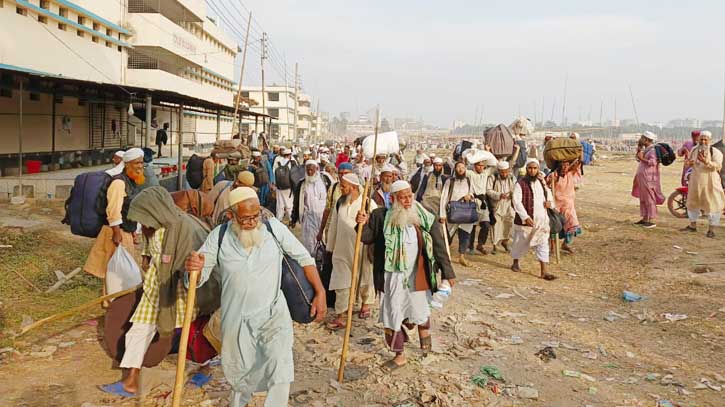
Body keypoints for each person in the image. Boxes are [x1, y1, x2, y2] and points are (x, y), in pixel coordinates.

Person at [185, 187, 326, 407]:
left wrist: (320, 292)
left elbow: (304, 258)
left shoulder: (273, 229)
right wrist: (194, 269)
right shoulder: (219, 237)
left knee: (281, 366)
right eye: (245, 218)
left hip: (273, 315)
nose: (252, 222)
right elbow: (197, 277)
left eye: (255, 216)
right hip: (237, 319)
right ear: (231, 215)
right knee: (241, 374)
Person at [99, 187, 218, 397]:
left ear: (156, 212)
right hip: (156, 287)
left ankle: (205, 368)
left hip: (184, 288)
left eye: (144, 219)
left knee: (193, 333)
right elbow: (148, 256)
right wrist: (147, 269)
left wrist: (191, 273)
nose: (142, 224)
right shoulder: (150, 227)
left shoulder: (184, 229)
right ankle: (130, 381)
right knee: (139, 329)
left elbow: (199, 263)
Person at [356, 180, 454, 369]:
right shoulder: (380, 216)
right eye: (403, 197)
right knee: (393, 314)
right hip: (391, 279)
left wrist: (448, 272)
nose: (408, 200)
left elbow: (439, 244)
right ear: (393, 199)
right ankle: (400, 356)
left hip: (417, 275)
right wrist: (361, 222)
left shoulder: (423, 215)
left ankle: (426, 347)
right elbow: (366, 237)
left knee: (420, 310)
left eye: (410, 195)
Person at [83, 148, 146, 278]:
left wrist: (133, 229)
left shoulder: (131, 182)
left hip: (125, 232)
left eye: (141, 162)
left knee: (121, 275)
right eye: (136, 163)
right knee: (116, 276)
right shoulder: (118, 183)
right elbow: (113, 210)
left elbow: (128, 208)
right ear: (127, 164)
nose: (140, 166)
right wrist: (117, 233)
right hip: (115, 233)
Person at [326, 174, 377, 329]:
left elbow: (376, 225)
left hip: (361, 248)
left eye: (344, 186)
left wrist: (367, 219)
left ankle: (365, 303)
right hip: (341, 250)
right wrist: (330, 246)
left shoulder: (368, 204)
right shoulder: (340, 203)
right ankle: (341, 315)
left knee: (364, 277)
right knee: (341, 282)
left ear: (354, 187)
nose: (341, 188)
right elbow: (334, 225)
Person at [510, 159, 556, 280]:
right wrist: (525, 217)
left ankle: (544, 271)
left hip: (542, 219)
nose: (532, 170)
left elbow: (549, 194)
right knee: (519, 242)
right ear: (526, 169)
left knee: (542, 243)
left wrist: (549, 203)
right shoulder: (520, 183)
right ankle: (515, 262)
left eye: (535, 168)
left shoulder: (542, 182)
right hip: (526, 221)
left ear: (538, 169)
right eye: (530, 168)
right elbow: (516, 201)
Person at [681, 130, 725, 238]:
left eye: (706, 139)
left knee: (712, 204)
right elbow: (688, 163)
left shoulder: (715, 151)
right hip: (695, 181)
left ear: (709, 140)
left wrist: (706, 162)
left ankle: (711, 229)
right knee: (692, 203)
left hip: (710, 182)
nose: (703, 141)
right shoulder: (694, 150)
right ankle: (692, 226)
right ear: (698, 139)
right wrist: (688, 163)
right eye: (702, 139)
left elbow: (718, 166)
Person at [440, 161, 475, 267]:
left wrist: (470, 196)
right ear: (455, 169)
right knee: (448, 236)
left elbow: (473, 193)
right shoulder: (449, 181)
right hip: (452, 212)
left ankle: (462, 257)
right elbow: (444, 197)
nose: (460, 169)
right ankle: (444, 256)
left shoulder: (468, 180)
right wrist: (442, 214)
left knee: (465, 235)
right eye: (458, 167)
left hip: (465, 211)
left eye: (462, 167)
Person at [291, 160, 330, 254]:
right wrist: (294, 218)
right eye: (308, 170)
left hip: (323, 217)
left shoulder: (325, 180)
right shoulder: (302, 184)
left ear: (316, 169)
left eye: (312, 170)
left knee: (323, 240)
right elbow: (296, 202)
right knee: (309, 242)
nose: (309, 172)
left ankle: (322, 262)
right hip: (308, 218)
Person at [547, 160, 582, 253]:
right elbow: (547, 185)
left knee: (572, 224)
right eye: (562, 165)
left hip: (569, 205)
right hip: (556, 206)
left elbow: (578, 162)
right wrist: (551, 182)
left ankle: (565, 244)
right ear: (558, 166)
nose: (564, 167)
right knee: (555, 225)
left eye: (567, 165)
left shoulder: (570, 174)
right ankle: (552, 247)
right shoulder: (553, 175)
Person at [632, 131, 664, 228]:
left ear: (646, 139)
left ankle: (650, 219)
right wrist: (639, 151)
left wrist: (642, 159)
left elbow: (653, 162)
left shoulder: (653, 150)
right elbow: (639, 159)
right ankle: (645, 218)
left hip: (649, 178)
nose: (640, 139)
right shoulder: (646, 149)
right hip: (643, 177)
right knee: (643, 198)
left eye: (642, 138)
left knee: (649, 198)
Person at [466, 152, 496, 255]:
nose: (481, 167)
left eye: (483, 165)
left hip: (483, 203)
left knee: (486, 225)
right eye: (479, 165)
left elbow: (495, 164)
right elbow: (460, 169)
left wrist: (487, 152)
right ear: (475, 165)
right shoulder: (470, 174)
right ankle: (470, 247)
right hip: (473, 201)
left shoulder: (485, 173)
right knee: (472, 226)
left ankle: (480, 244)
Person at [487, 161, 516, 252]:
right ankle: (495, 245)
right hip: (497, 205)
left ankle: (505, 241)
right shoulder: (493, 177)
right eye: (502, 172)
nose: (504, 174)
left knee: (509, 222)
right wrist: (499, 195)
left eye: (506, 171)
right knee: (496, 224)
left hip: (508, 204)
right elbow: (488, 191)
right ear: (499, 171)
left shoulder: (511, 177)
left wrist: (512, 194)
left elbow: (516, 188)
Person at [273, 148, 296, 222]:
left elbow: (274, 173)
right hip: (288, 187)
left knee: (280, 204)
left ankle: (278, 220)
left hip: (279, 187)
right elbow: (295, 175)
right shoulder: (292, 162)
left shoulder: (278, 161)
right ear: (290, 155)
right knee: (289, 204)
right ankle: (291, 219)